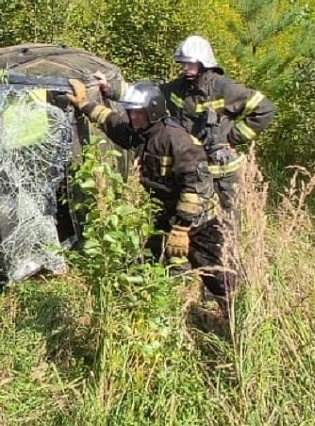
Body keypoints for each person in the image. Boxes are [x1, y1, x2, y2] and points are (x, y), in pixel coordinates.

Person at [65, 77, 232, 305]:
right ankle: (153, 310)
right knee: (150, 264)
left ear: (153, 111)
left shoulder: (177, 140)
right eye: (131, 112)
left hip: (199, 221)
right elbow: (112, 123)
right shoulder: (142, 133)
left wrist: (182, 228)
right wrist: (84, 105)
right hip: (164, 214)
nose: (133, 117)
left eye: (138, 113)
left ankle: (236, 316)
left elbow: (196, 186)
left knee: (216, 273)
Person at [161, 35, 275, 217]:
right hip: (191, 170)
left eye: (190, 63)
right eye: (183, 63)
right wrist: (111, 88)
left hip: (222, 175)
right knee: (191, 222)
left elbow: (265, 109)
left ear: (203, 62)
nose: (185, 67)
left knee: (226, 224)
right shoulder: (179, 88)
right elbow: (151, 95)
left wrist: (232, 137)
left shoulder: (223, 88)